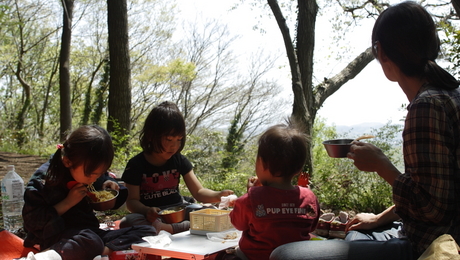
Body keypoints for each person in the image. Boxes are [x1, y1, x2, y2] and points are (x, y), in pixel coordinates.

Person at [270, 1, 460, 260]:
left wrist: (382, 166)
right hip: (424, 231)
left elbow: (433, 208)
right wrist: (379, 218)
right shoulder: (450, 94)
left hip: (431, 245)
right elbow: (439, 189)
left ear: (380, 51)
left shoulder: (426, 106)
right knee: (355, 231)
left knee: (285, 255)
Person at [22, 125, 157, 260]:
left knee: (147, 231)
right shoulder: (45, 180)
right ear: (68, 161)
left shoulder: (88, 170)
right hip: (57, 237)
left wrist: (110, 185)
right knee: (90, 240)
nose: (95, 179)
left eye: (99, 174)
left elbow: (102, 179)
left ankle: (99, 252)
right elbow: (30, 221)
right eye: (92, 174)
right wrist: (67, 203)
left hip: (90, 235)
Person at [120, 101, 234, 234]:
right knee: (129, 221)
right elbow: (132, 202)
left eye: (179, 140)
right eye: (169, 140)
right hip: (154, 216)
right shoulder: (136, 164)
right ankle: (184, 227)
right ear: (151, 135)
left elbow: (198, 192)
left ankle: (171, 229)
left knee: (211, 212)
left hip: (179, 210)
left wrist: (219, 195)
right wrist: (146, 211)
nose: (174, 146)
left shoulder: (179, 160)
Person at [228, 121, 320, 260]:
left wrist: (250, 195)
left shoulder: (251, 199)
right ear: (299, 169)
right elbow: (311, 226)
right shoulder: (309, 197)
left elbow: (238, 223)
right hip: (296, 257)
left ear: (261, 163)